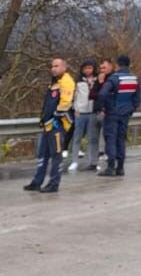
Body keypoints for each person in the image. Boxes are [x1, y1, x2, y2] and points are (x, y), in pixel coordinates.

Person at [24, 57, 75, 193]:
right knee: (42, 155)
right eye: (52, 66)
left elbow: (65, 102)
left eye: (57, 66)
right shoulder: (54, 83)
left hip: (57, 125)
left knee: (56, 155)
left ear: (64, 67)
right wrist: (43, 119)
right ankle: (37, 181)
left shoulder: (66, 81)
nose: (53, 68)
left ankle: (54, 183)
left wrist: (56, 116)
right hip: (48, 125)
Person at [95, 54, 140, 177]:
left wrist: (100, 107)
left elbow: (102, 94)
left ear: (118, 64)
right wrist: (131, 109)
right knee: (121, 139)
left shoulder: (114, 78)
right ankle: (120, 168)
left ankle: (110, 167)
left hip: (112, 113)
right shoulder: (135, 79)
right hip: (125, 114)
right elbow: (136, 98)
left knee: (110, 139)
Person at [68, 59, 98, 172]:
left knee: (92, 139)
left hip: (92, 112)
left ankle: (92, 162)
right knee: (77, 137)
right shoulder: (78, 81)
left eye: (90, 68)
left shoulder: (97, 80)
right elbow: (73, 96)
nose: (87, 70)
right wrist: (74, 108)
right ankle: (74, 161)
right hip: (80, 112)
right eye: (85, 68)